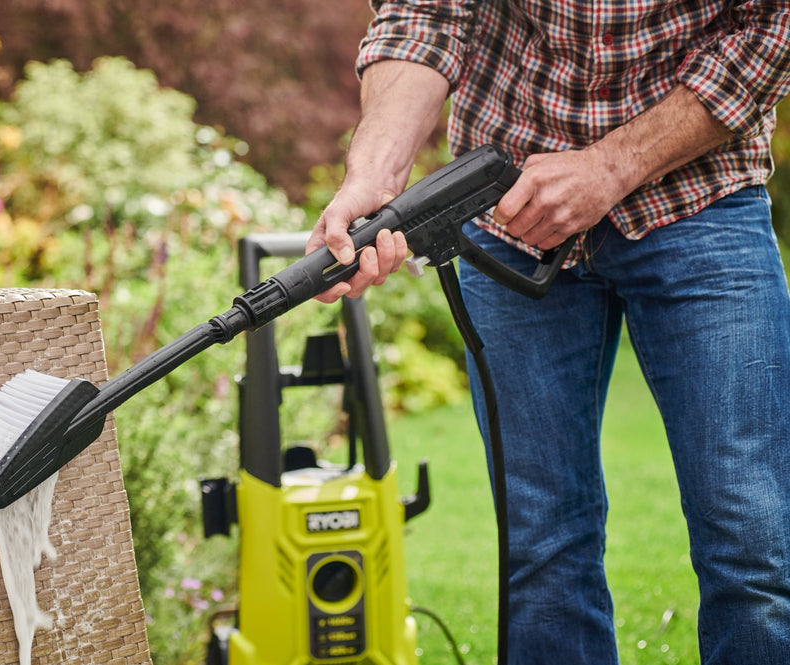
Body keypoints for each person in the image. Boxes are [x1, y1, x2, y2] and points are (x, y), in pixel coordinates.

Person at [306, 1, 790, 663]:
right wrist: (376, 174)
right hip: (508, 202)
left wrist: (611, 168)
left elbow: (774, 22)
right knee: (541, 549)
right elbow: (425, 11)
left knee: (752, 542)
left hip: (699, 196)